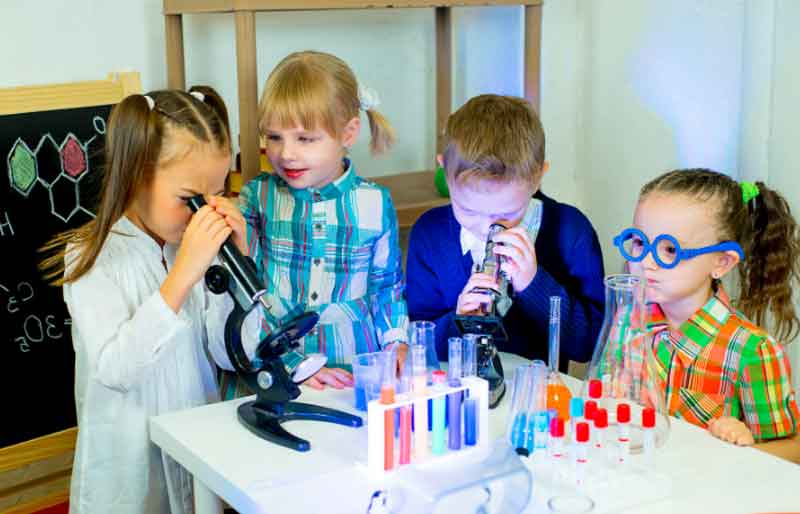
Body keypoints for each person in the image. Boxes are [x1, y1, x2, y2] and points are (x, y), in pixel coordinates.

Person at [40, 87, 252, 513]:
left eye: (216, 194)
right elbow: (116, 369)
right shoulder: (91, 257)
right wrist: (181, 278)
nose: (205, 213)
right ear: (138, 174)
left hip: (196, 454)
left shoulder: (187, 247)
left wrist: (239, 264)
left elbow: (234, 354)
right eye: (190, 198)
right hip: (128, 473)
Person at [229, 50, 408, 397]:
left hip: (353, 372)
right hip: (279, 369)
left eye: (305, 139)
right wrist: (293, 362)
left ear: (348, 133)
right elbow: (246, 293)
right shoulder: (257, 197)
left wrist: (396, 343)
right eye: (274, 137)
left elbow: (386, 288)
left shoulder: (375, 203)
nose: (286, 154)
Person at [406, 94, 604, 367]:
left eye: (506, 214)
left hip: (537, 400)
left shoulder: (571, 232)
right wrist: (461, 321)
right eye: (469, 210)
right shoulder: (430, 235)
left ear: (537, 177)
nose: (488, 228)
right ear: (444, 170)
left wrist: (534, 285)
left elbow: (590, 346)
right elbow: (419, 345)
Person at [616, 168, 799, 461]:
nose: (646, 262)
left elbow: (794, 450)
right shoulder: (628, 321)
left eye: (669, 249)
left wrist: (746, 445)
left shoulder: (753, 352)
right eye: (639, 242)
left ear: (722, 263)